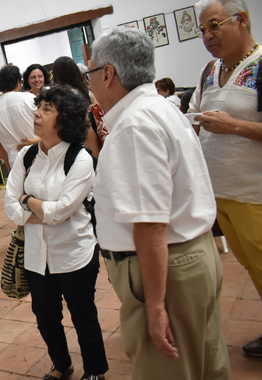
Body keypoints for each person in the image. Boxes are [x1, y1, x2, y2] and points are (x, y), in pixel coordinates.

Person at [88, 26, 230, 379]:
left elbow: (150, 223)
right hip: (191, 255)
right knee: (206, 365)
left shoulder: (134, 125)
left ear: (108, 74)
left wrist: (155, 305)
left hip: (168, 271)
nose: (89, 82)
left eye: (89, 72)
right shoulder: (161, 109)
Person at [5, 85, 108, 380]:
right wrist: (34, 212)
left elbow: (60, 211)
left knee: (83, 315)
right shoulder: (26, 156)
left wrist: (27, 203)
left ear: (64, 121)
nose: (37, 113)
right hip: (37, 257)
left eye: (47, 109)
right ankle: (62, 364)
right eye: (40, 107)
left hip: (74, 252)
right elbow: (10, 205)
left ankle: (95, 371)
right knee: (46, 319)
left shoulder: (81, 159)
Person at [190, 0, 262, 358]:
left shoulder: (261, 67)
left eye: (214, 25)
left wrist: (233, 126)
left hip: (256, 194)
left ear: (242, 20)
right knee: (251, 266)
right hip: (221, 195)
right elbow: (192, 116)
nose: (207, 35)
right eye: (203, 29)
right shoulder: (209, 71)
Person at [0, 65, 38, 171]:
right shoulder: (29, 98)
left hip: (16, 162)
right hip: (39, 154)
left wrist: (8, 164)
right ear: (18, 82)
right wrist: (37, 140)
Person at [51, 56, 101, 157]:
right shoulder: (87, 92)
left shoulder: (58, 97)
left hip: (71, 139)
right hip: (92, 133)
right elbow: (99, 113)